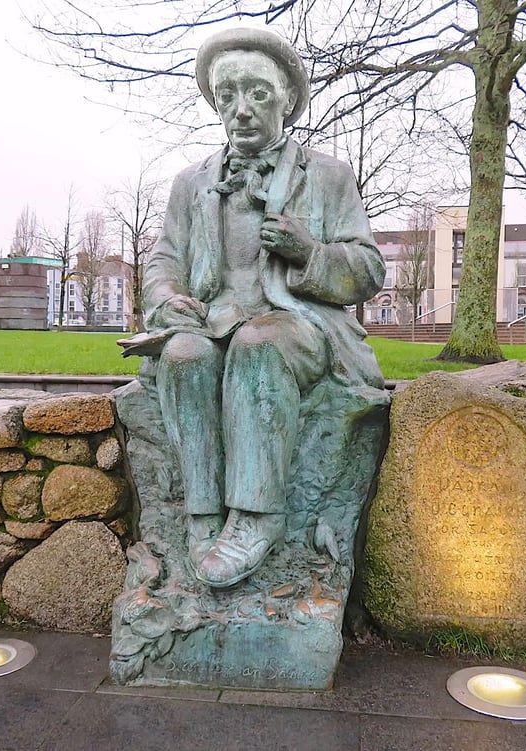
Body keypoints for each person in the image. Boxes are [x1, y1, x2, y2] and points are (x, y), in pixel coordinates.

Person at [135, 27, 385, 589]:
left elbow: (368, 271)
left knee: (258, 344)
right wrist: (170, 299)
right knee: (183, 355)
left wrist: (310, 253)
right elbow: (163, 261)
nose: (241, 110)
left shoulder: (327, 176)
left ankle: (255, 517)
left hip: (298, 326)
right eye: (228, 96)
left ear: (287, 100)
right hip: (211, 320)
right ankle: (203, 513)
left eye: (258, 94)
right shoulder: (191, 182)